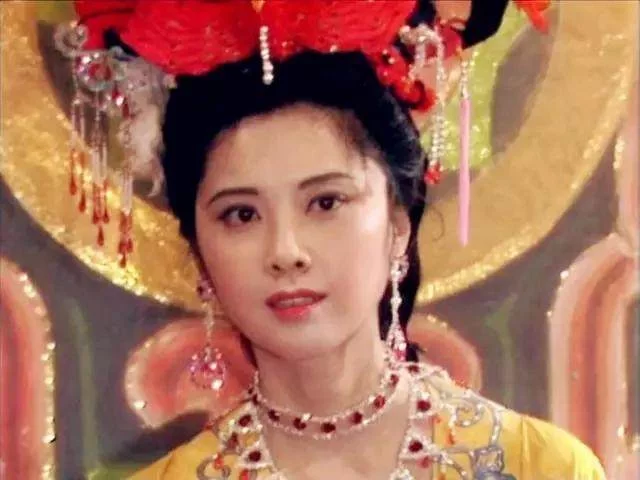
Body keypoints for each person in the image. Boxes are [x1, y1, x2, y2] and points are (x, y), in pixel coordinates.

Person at [57, 1, 606, 478]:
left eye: (325, 203)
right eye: (241, 215)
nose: (286, 252)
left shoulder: (541, 467)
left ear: (397, 226)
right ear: (200, 254)